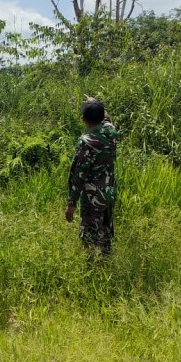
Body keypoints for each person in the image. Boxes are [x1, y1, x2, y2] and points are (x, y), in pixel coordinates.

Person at [65, 97, 119, 256]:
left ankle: (90, 267)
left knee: (89, 234)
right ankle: (106, 261)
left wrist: (71, 202)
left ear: (83, 119)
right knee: (105, 230)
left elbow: (78, 174)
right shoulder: (112, 133)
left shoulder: (86, 142)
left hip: (92, 196)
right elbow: (106, 119)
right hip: (109, 191)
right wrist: (94, 102)